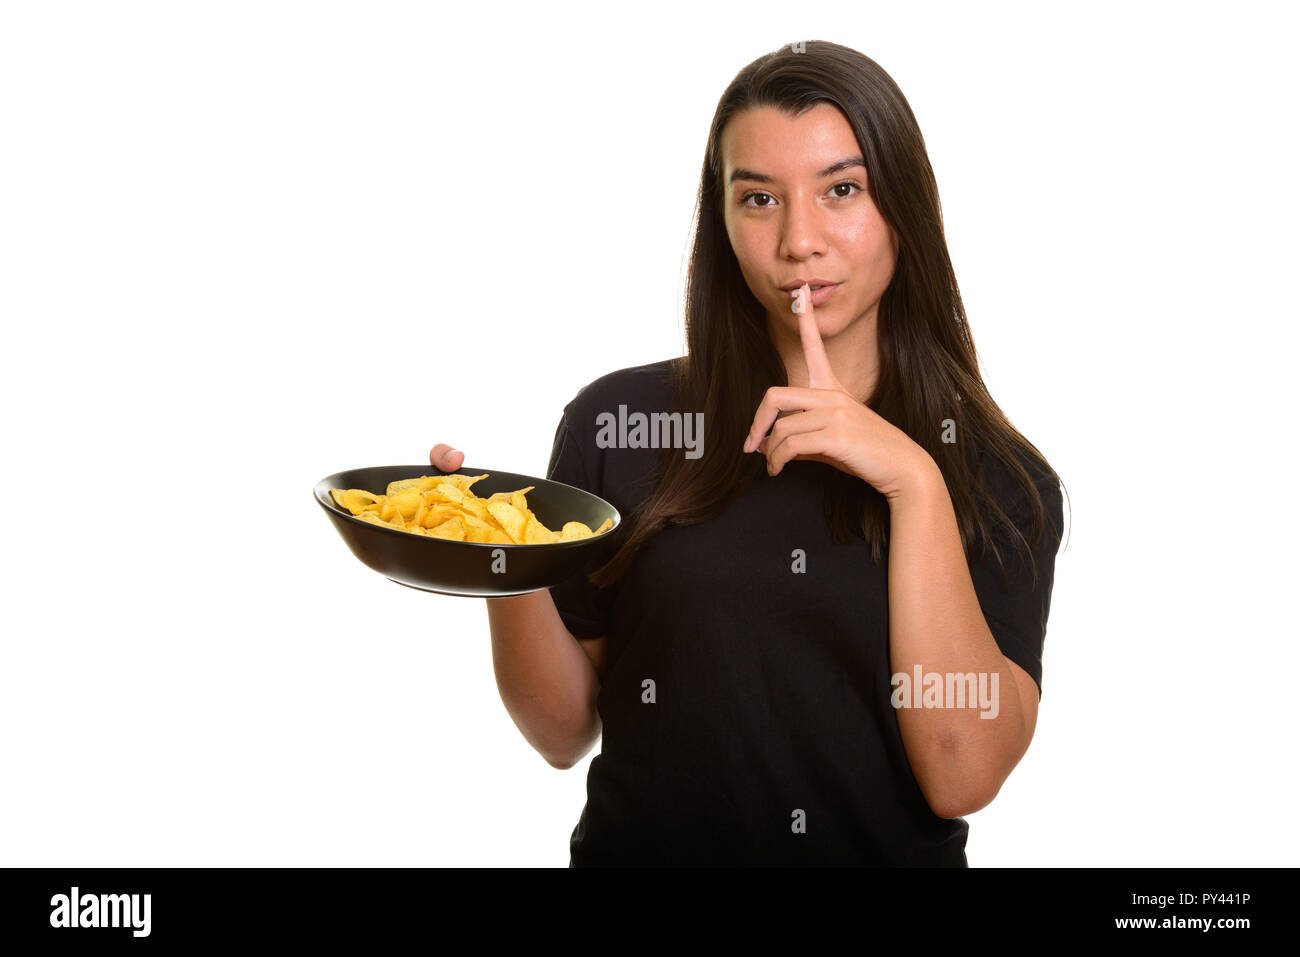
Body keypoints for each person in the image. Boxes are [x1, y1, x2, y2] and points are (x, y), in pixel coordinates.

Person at [430, 40, 1066, 866]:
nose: (800, 240)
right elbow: (561, 730)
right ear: (722, 219)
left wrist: (913, 480)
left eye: (842, 190)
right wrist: (503, 555)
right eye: (759, 198)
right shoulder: (619, 421)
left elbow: (962, 774)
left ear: (903, 206)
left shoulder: (997, 476)